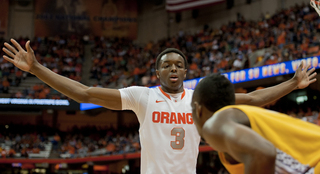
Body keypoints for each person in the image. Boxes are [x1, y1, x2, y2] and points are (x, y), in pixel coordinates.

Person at [2, 40, 317, 174]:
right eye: (167, 65)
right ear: (157, 72)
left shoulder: (199, 98)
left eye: (179, 65)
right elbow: (84, 93)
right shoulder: (143, 96)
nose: (174, 69)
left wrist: (292, 83)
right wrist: (37, 69)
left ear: (185, 70)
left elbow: (253, 100)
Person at [191, 73, 320, 174]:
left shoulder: (215, 125)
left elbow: (264, 153)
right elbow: (253, 98)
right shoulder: (236, 117)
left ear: (198, 110)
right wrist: (293, 82)